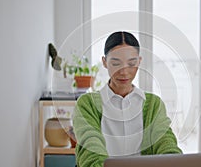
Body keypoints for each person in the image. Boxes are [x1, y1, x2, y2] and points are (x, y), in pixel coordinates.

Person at [73, 31, 182, 167]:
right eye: (116, 63)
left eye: (131, 63)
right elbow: (90, 145)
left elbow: (165, 140)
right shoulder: (87, 104)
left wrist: (175, 161)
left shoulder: (154, 104)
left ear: (139, 61)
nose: (124, 71)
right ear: (105, 62)